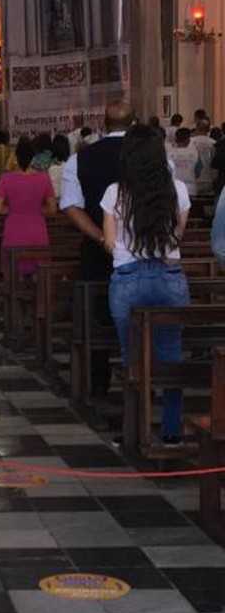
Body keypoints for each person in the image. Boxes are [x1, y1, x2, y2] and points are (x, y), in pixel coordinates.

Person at [102, 123, 191, 447]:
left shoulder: (115, 192)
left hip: (128, 277)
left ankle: (136, 430)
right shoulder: (177, 189)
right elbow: (177, 234)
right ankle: (170, 432)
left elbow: (109, 242)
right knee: (171, 357)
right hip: (169, 278)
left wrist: (127, 250)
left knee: (132, 359)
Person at [59, 96, 134, 399]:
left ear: (103, 123)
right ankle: (142, 382)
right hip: (144, 253)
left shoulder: (81, 158)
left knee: (97, 317)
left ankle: (99, 383)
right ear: (135, 123)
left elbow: (71, 206)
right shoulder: (153, 157)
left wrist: (102, 238)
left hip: (98, 251)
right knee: (143, 315)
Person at [0, 135, 56, 276]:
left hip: (14, 228)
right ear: (33, 157)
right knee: (39, 271)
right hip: (37, 228)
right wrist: (35, 209)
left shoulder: (6, 178)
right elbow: (52, 209)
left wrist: (14, 209)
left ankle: (13, 296)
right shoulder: (44, 178)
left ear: (15, 158)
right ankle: (39, 296)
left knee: (13, 270)